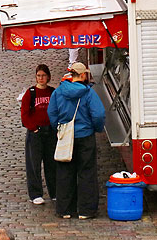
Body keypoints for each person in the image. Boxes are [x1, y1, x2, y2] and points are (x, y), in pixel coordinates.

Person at [47, 62, 105, 220]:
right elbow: (99, 115)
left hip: (66, 136)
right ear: (83, 75)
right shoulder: (88, 93)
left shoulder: (58, 92)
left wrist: (59, 129)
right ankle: (86, 210)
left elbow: (52, 113)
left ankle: (65, 209)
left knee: (65, 172)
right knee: (87, 173)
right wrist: (96, 128)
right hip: (85, 136)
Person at [20, 64, 56, 205]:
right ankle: (35, 193)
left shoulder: (53, 92)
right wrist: (33, 128)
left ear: (48, 77)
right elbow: (24, 114)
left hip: (50, 131)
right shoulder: (31, 93)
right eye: (39, 76)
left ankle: (54, 191)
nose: (41, 78)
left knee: (52, 163)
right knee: (34, 164)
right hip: (36, 133)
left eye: (43, 75)